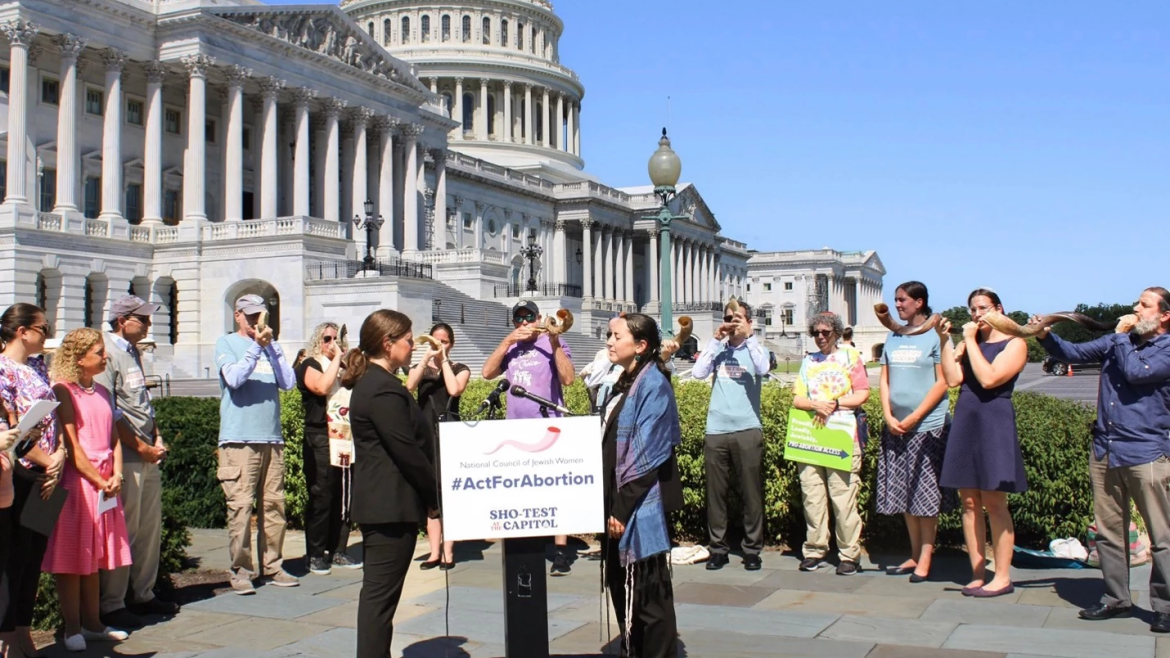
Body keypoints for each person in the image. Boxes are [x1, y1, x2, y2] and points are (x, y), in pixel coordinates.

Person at [1034, 287, 1170, 631]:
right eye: (1136, 302)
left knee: (1162, 536)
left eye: (1143, 304)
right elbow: (1074, 353)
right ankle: (1116, 599)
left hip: (1147, 452)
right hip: (1106, 450)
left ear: (1164, 315)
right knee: (1109, 532)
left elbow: (1138, 372)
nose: (1134, 308)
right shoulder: (1117, 341)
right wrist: (1045, 336)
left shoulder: (1164, 349)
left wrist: (1121, 336)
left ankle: (1165, 607)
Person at [343, 310, 438, 658]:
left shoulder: (379, 383)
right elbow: (408, 453)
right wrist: (435, 497)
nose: (413, 347)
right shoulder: (381, 389)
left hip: (387, 505)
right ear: (388, 343)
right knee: (379, 599)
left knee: (380, 597)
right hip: (388, 507)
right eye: (409, 341)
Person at [44, 328, 133, 652]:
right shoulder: (62, 390)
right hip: (77, 482)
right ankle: (71, 628)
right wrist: (99, 479)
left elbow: (113, 437)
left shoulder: (103, 391)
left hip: (105, 482)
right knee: (71, 556)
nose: (104, 356)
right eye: (98, 352)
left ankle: (93, 623)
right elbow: (73, 446)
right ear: (79, 358)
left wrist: (117, 474)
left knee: (94, 554)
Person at [95, 296, 179, 630]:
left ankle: (143, 593)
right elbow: (110, 412)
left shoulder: (133, 352)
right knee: (124, 529)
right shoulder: (106, 353)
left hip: (147, 452)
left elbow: (142, 402)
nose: (147, 325)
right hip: (126, 456)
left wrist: (155, 436)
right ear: (122, 320)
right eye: (141, 319)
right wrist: (140, 447)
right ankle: (112, 603)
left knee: (148, 528)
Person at [938, 288, 1028, 598]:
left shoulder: (1015, 344)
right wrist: (945, 342)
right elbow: (951, 380)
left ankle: (1002, 576)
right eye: (973, 309)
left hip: (994, 421)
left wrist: (971, 344)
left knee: (994, 501)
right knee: (969, 501)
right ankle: (977, 571)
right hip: (967, 417)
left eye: (983, 308)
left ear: (999, 309)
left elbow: (989, 379)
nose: (977, 314)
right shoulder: (970, 344)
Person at [601, 313, 681, 658]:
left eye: (616, 336)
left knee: (649, 595)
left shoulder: (654, 385)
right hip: (616, 502)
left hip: (637, 506)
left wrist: (622, 507)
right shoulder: (625, 380)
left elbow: (648, 454)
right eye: (609, 335)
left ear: (641, 345)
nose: (609, 341)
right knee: (623, 588)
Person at [481, 300, 575, 575]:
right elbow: (487, 373)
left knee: (554, 490)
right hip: (515, 430)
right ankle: (524, 545)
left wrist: (554, 341)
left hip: (548, 426)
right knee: (521, 489)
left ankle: (560, 550)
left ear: (537, 318)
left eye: (529, 317)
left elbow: (568, 379)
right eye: (518, 319)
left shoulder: (549, 342)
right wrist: (507, 341)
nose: (524, 323)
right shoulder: (511, 346)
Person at [215, 294, 298, 594]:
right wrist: (256, 347)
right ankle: (241, 570)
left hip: (271, 439)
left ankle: (273, 565)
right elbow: (234, 379)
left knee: (274, 506)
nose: (255, 322)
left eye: (260, 316)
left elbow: (288, 383)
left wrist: (272, 348)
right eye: (250, 316)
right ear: (237, 315)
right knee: (240, 508)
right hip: (239, 440)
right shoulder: (226, 344)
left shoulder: (270, 346)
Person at [0, 303, 67, 658]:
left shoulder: (39, 366)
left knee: (34, 556)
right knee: (14, 555)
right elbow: (9, 429)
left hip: (49, 471)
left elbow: (51, 419)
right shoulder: (3, 370)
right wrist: (46, 460)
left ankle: (24, 629)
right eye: (43, 327)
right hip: (22, 473)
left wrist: (59, 457)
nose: (47, 332)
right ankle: (8, 634)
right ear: (22, 331)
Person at [877, 282, 952, 582]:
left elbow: (943, 381)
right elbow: (885, 380)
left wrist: (916, 417)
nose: (897, 305)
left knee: (925, 495)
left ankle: (925, 558)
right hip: (896, 427)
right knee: (905, 493)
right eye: (895, 300)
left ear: (919, 302)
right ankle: (913, 553)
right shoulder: (893, 335)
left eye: (903, 300)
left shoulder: (936, 335)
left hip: (928, 427)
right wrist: (888, 414)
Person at [692, 300, 770, 571]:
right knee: (716, 494)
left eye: (737, 317)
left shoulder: (756, 348)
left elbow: (763, 369)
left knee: (751, 493)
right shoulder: (719, 351)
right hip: (717, 429)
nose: (732, 321)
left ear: (748, 321)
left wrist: (748, 337)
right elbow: (698, 373)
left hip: (747, 428)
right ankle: (718, 548)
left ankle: (752, 549)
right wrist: (714, 341)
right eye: (728, 317)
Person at [792, 312, 871, 575]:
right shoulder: (809, 361)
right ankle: (815, 549)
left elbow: (862, 393)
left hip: (842, 433)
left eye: (825, 332)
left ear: (836, 332)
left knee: (843, 497)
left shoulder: (851, 356)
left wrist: (835, 403)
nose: (820, 337)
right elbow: (797, 398)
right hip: (811, 435)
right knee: (812, 496)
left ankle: (849, 553)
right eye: (816, 333)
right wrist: (816, 404)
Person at [296, 322, 361, 576]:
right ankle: (315, 553)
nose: (332, 343)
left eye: (336, 338)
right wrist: (334, 359)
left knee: (343, 494)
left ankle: (338, 550)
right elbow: (322, 387)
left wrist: (344, 360)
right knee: (322, 494)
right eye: (327, 338)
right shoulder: (310, 364)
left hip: (344, 437)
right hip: (320, 436)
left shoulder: (342, 367)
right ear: (317, 341)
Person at [406, 322, 470, 570]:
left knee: (448, 493)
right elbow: (410, 386)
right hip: (425, 434)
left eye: (443, 341)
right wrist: (425, 359)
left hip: (449, 433)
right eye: (435, 340)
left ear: (451, 344)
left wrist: (442, 360)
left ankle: (448, 552)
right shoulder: (420, 367)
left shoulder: (459, 368)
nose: (438, 345)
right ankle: (433, 552)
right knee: (430, 492)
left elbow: (454, 389)